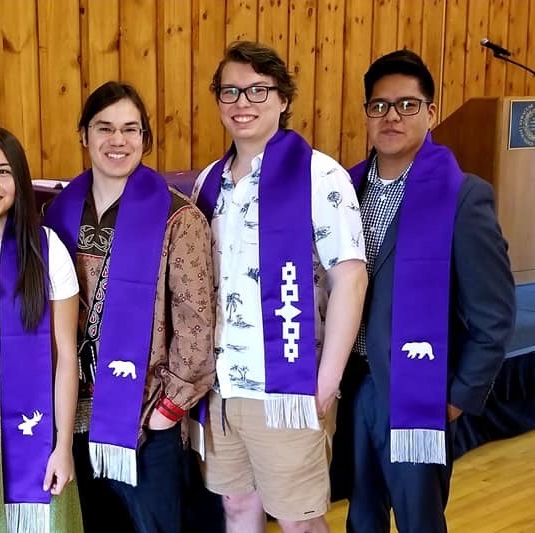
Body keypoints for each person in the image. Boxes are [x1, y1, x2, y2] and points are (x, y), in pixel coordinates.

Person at [192, 41, 368, 533]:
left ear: (283, 99)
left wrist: (327, 382)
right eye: (230, 91)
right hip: (222, 387)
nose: (241, 102)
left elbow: (350, 278)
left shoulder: (320, 175)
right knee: (237, 506)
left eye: (256, 90)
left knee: (299, 521)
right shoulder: (208, 183)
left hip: (288, 387)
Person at [342, 49, 515, 533]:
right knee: (360, 513)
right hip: (353, 381)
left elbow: (494, 313)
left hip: (417, 387)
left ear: (431, 112)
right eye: (379, 106)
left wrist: (458, 397)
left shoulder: (462, 196)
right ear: (367, 115)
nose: (392, 116)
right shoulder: (344, 189)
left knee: (419, 520)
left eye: (407, 104)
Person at [44, 80, 217, 533]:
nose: (117, 141)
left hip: (143, 417)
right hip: (72, 413)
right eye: (104, 128)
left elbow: (197, 326)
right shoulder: (56, 214)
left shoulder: (179, 218)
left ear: (145, 138)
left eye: (130, 129)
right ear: (83, 134)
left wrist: (166, 412)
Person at [0, 126, 83, 531]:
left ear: (19, 180)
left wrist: (63, 445)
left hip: (33, 397)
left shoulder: (46, 249)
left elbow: (64, 357)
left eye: (2, 171)